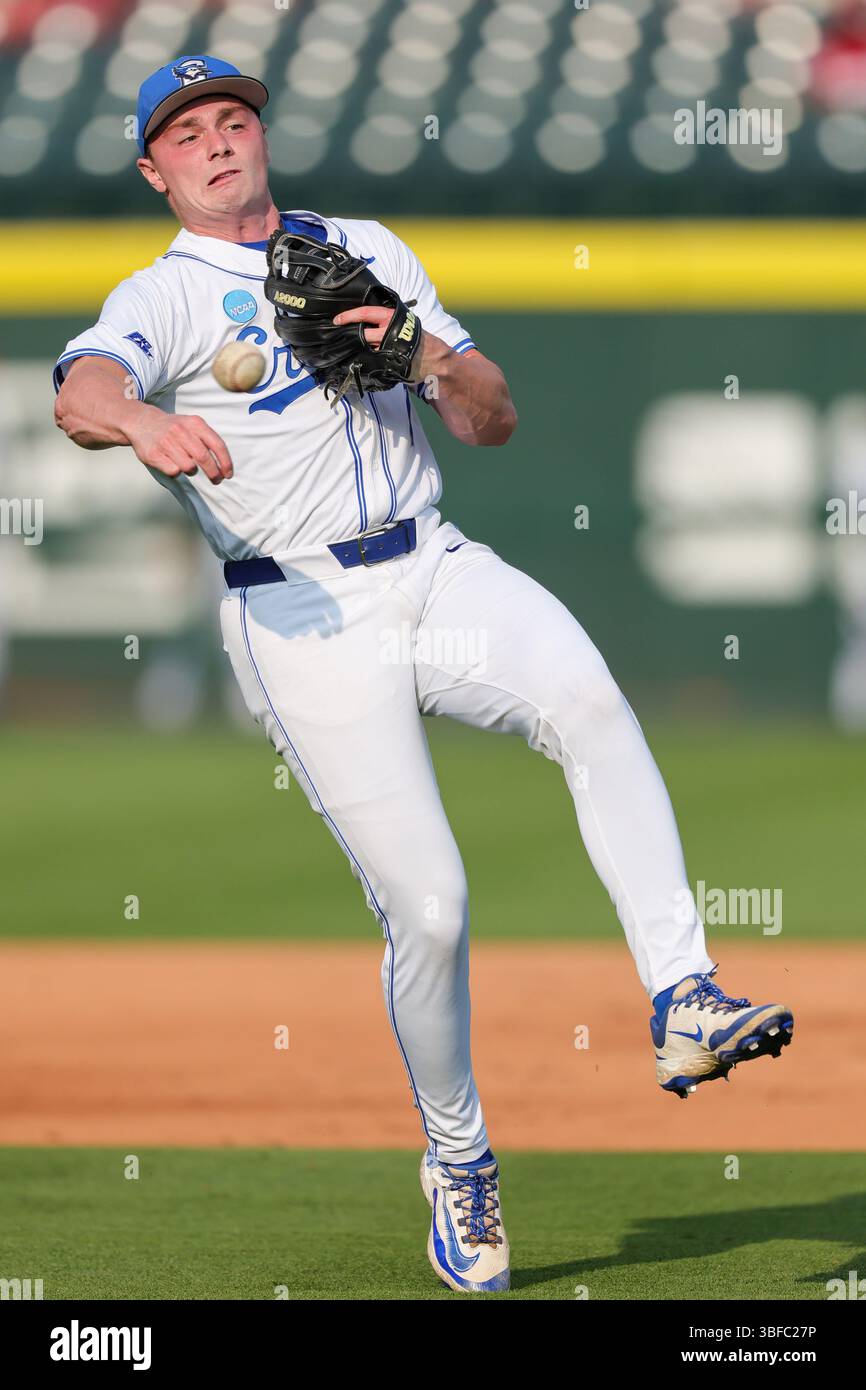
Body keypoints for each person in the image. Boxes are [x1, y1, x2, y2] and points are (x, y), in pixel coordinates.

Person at [53, 55, 794, 1296]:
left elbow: (491, 417)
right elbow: (81, 389)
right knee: (434, 907)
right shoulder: (165, 296)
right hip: (298, 612)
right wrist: (140, 421)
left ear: (261, 134)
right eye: (188, 134)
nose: (219, 142)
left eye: (235, 119)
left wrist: (420, 355)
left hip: (431, 562)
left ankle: (683, 995)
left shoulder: (366, 247)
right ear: (155, 169)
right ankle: (458, 1160)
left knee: (589, 698)